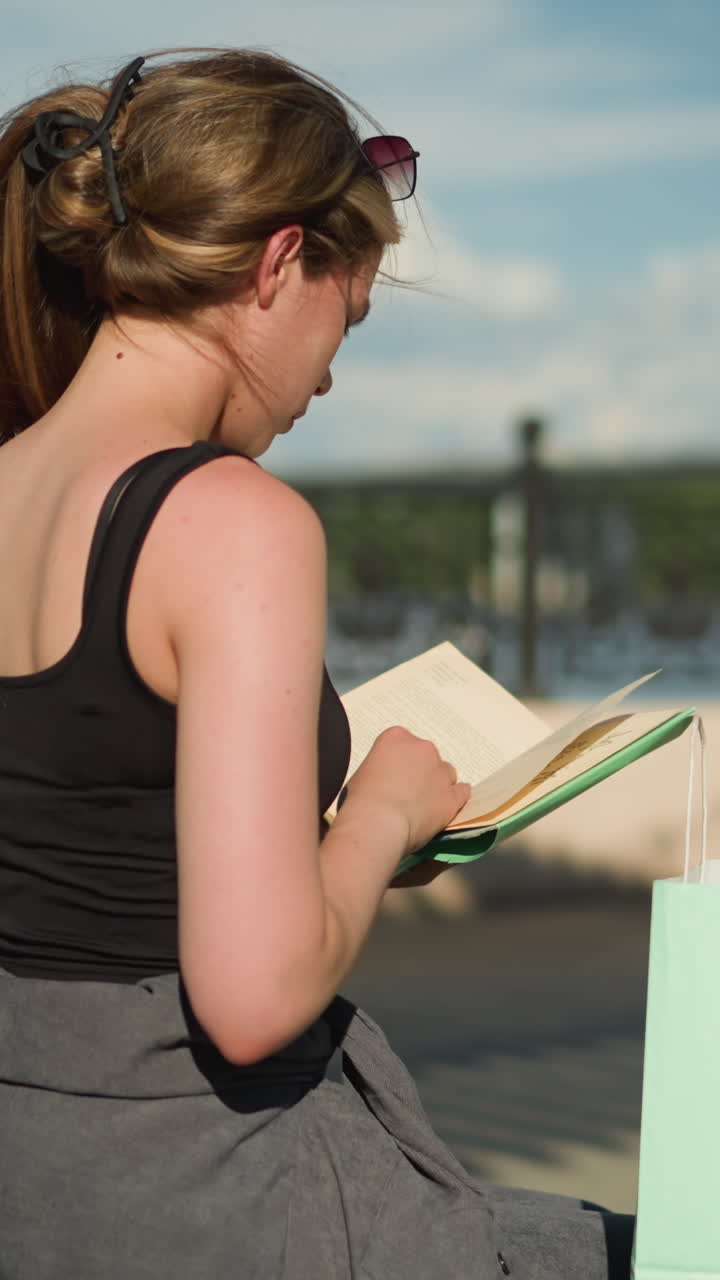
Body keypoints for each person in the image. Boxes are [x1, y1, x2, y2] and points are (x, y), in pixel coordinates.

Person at [0, 49, 635, 1278]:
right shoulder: (232, 521)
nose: (330, 376)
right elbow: (251, 996)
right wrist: (385, 815)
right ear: (281, 264)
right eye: (347, 319)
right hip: (205, 1192)